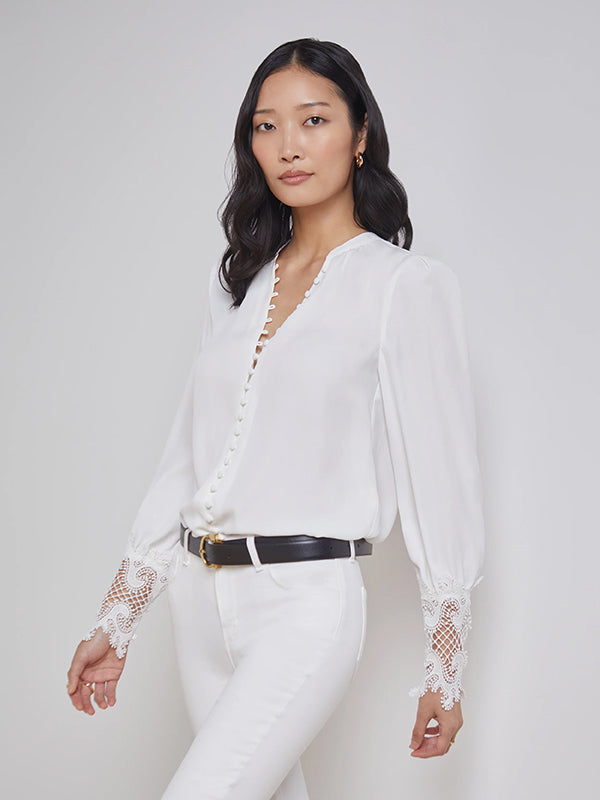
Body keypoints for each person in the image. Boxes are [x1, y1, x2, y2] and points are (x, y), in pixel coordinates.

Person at [66, 37, 485, 799]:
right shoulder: (235, 282)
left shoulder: (404, 286)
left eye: (314, 119)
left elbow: (442, 477)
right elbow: (187, 459)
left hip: (304, 606)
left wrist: (445, 668)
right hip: (199, 605)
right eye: (266, 126)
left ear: (360, 135)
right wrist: (119, 617)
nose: (288, 145)